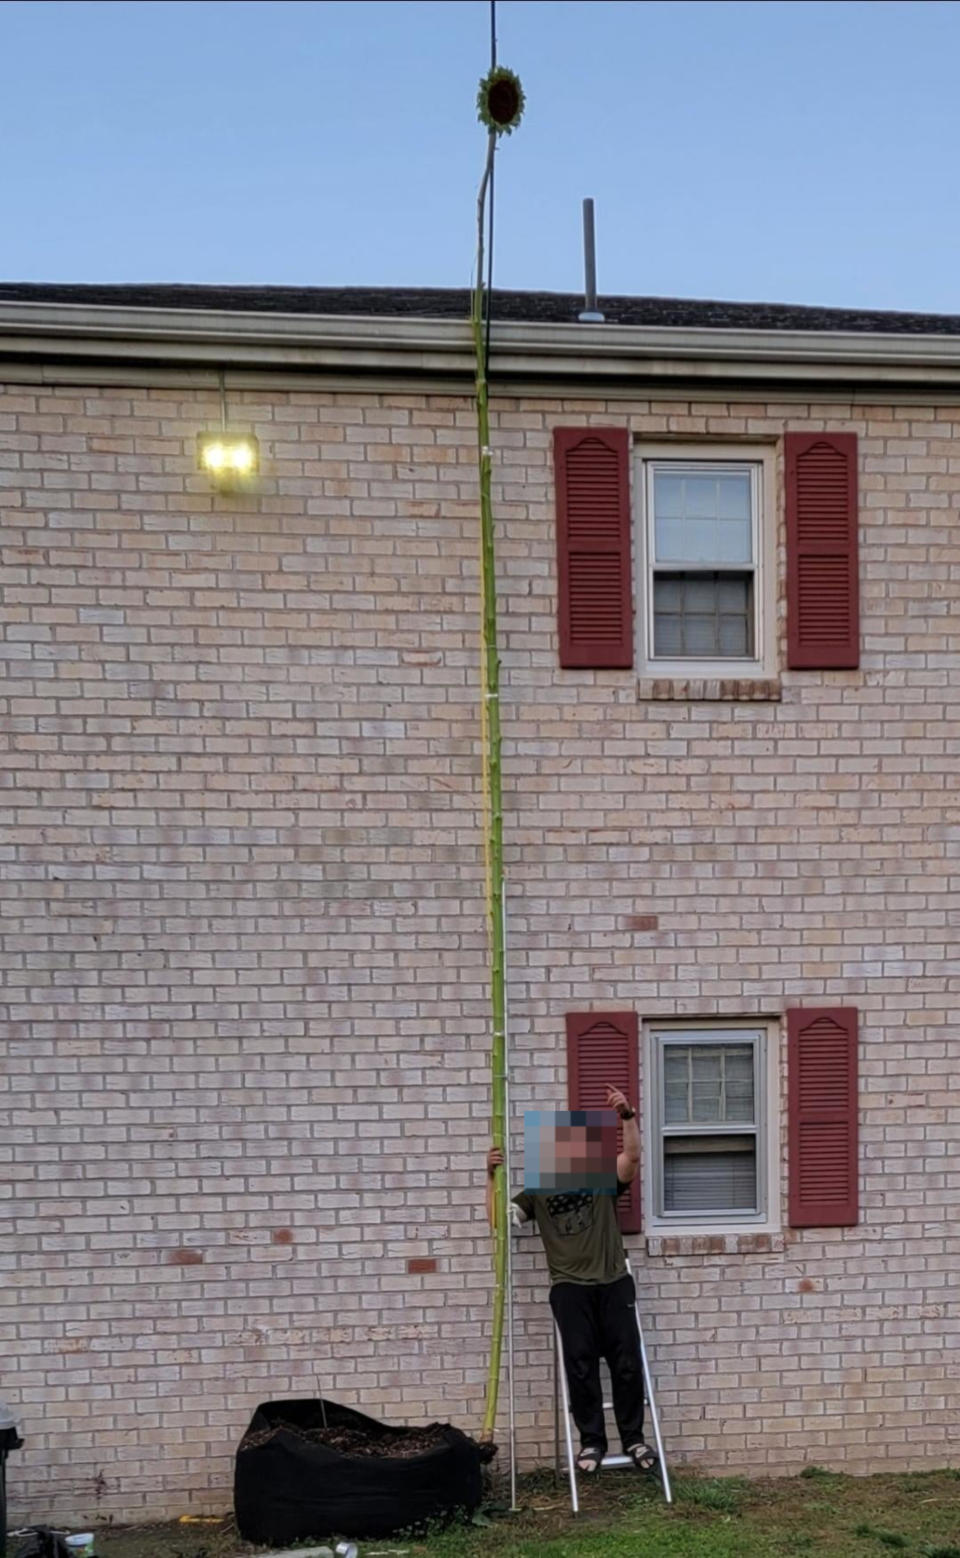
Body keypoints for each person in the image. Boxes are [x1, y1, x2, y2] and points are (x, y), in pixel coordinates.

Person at [486, 1086, 655, 1476]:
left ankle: (633, 1438)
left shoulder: (601, 1179)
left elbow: (631, 1157)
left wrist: (626, 1117)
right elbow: (499, 1221)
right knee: (580, 1366)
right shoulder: (537, 1192)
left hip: (613, 1281)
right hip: (569, 1288)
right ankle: (592, 1442)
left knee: (626, 1364)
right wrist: (489, 1177)